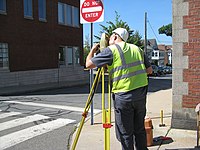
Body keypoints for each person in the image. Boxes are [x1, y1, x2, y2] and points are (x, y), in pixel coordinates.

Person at [86, 28, 152, 150]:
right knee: (140, 130)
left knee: (125, 133)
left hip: (123, 97)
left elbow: (88, 64)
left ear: (116, 37)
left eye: (111, 37)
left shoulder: (111, 50)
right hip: (140, 96)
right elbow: (149, 70)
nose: (109, 39)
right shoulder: (137, 49)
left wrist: (92, 50)